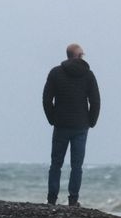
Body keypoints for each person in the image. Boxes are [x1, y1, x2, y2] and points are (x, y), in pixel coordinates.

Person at [42, 43, 100, 206]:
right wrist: (91, 121)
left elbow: (47, 99)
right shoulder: (88, 75)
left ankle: (52, 198)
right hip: (81, 126)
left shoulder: (55, 73)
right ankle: (73, 199)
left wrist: (52, 118)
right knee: (77, 165)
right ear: (77, 56)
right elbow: (95, 100)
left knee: (56, 164)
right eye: (82, 54)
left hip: (61, 124)